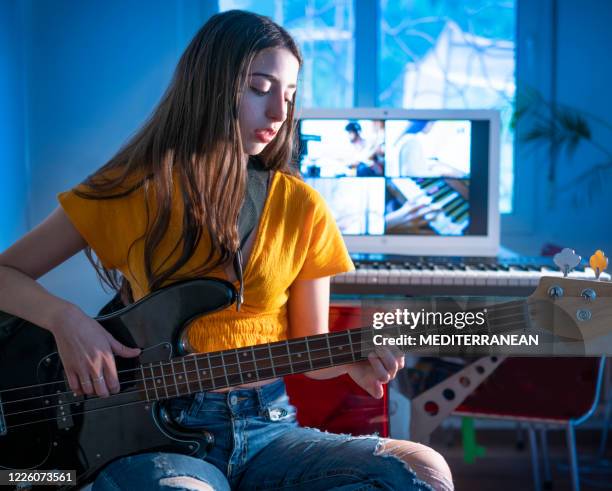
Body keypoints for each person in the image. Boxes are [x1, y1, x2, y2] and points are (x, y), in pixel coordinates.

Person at [0, 10, 453, 491]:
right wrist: (66, 319)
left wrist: (352, 357)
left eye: (290, 95)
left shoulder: (301, 207)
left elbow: (309, 349)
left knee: (423, 470)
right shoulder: (133, 191)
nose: (280, 114)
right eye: (260, 88)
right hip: (153, 436)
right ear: (211, 85)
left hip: (267, 428)